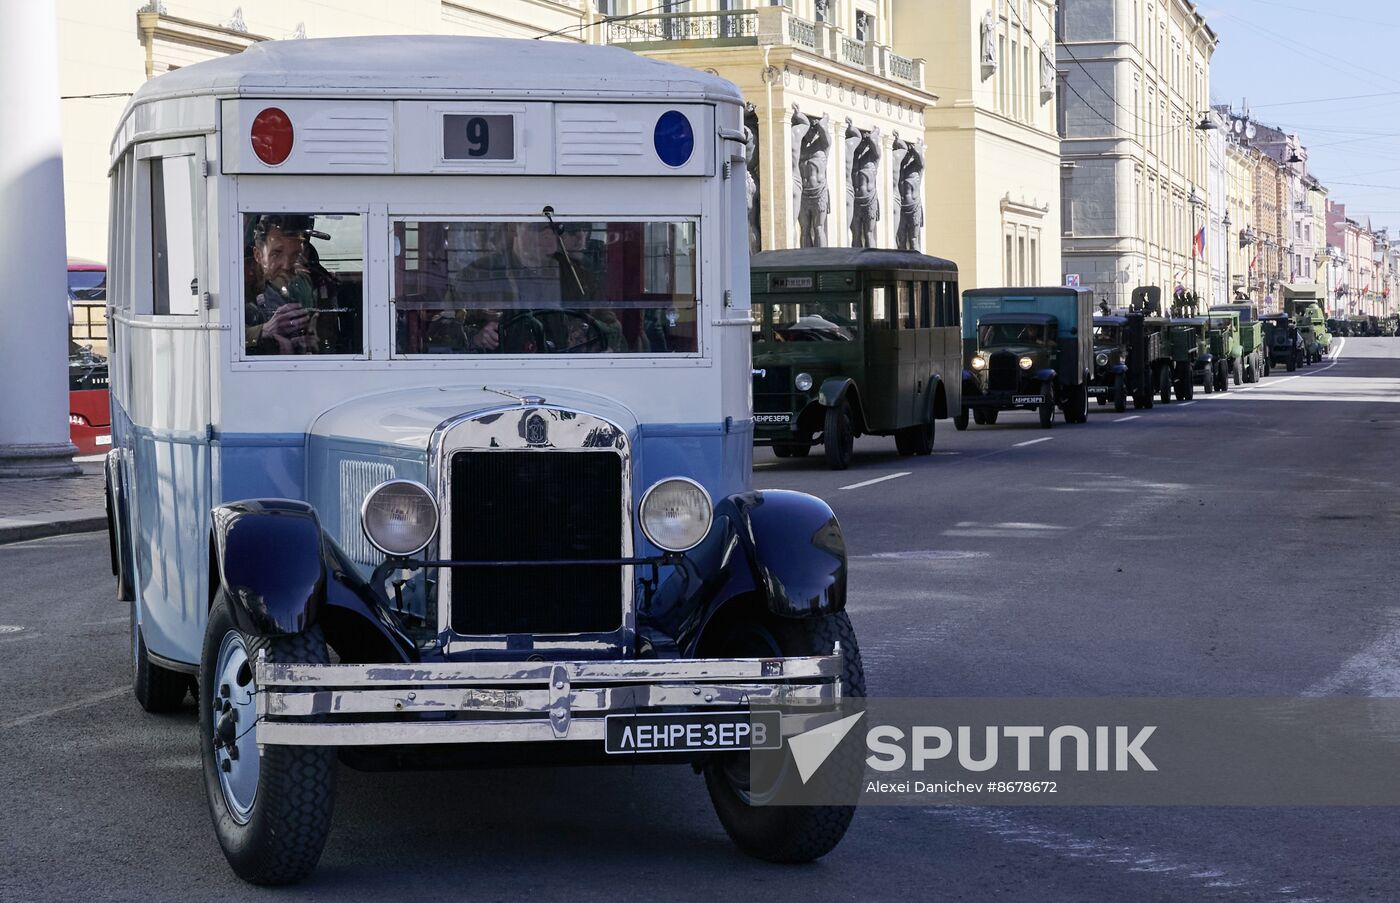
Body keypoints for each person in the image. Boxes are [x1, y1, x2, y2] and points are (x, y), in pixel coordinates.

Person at [244, 214, 341, 355]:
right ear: (258, 254)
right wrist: (264, 330)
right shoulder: (236, 280)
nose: (286, 265)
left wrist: (310, 343)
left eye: (295, 255)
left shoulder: (318, 283)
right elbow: (222, 336)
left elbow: (328, 341)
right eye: (276, 254)